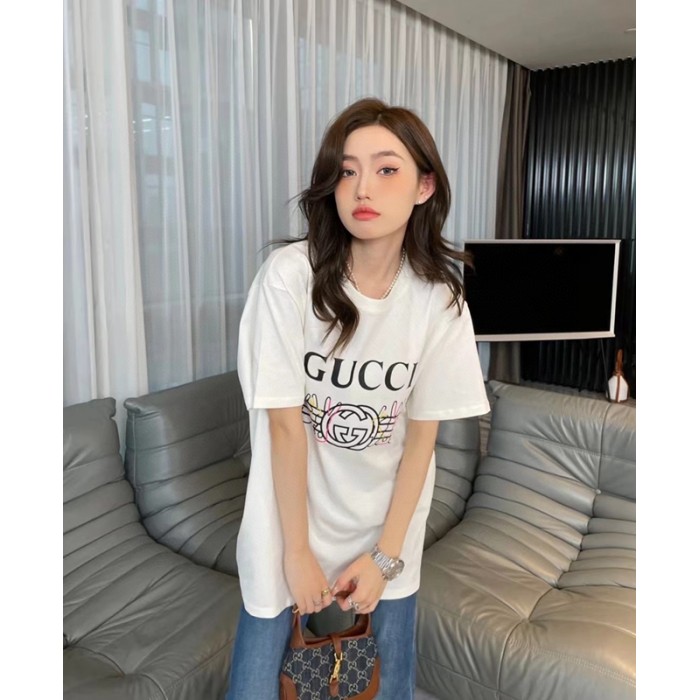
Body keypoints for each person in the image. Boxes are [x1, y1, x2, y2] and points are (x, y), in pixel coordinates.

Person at [225, 97, 490, 699]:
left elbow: (421, 440)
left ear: (424, 186)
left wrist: (385, 557)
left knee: (382, 689)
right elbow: (285, 428)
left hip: (386, 538)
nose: (363, 187)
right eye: (347, 171)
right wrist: (297, 553)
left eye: (387, 169)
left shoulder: (439, 300)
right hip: (286, 531)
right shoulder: (290, 277)